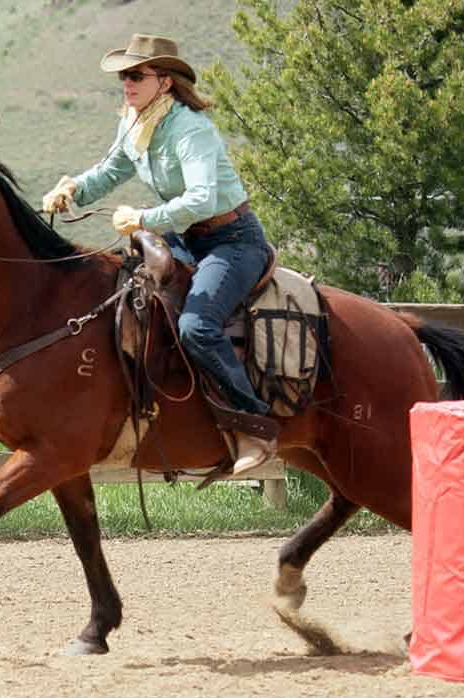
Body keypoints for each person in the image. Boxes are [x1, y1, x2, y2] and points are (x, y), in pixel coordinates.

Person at [42, 34, 276, 474]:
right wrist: (72, 189)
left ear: (164, 82)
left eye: (135, 75)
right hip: (186, 239)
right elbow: (112, 170)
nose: (126, 83)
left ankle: (255, 429)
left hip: (232, 240)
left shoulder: (190, 128)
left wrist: (145, 217)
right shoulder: (135, 122)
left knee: (196, 326)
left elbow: (205, 199)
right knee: (134, 309)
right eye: (123, 76)